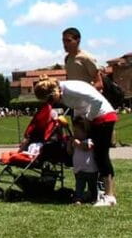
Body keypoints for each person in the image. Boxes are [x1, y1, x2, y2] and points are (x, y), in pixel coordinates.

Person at [34, 77, 118, 207]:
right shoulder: (64, 93)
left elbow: (96, 101)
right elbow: (80, 106)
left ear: (53, 92)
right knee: (97, 156)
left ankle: (109, 196)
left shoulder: (71, 89)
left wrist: (88, 119)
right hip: (94, 118)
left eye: (50, 100)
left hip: (103, 118)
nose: (51, 103)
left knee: (101, 156)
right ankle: (100, 192)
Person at [69, 117, 99, 204]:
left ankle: (93, 197)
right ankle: (78, 198)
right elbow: (70, 152)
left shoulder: (89, 140)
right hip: (79, 170)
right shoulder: (76, 142)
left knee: (92, 186)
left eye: (77, 132)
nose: (75, 134)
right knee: (79, 186)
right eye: (74, 132)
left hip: (91, 170)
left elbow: (86, 147)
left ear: (85, 132)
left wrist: (76, 143)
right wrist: (69, 144)